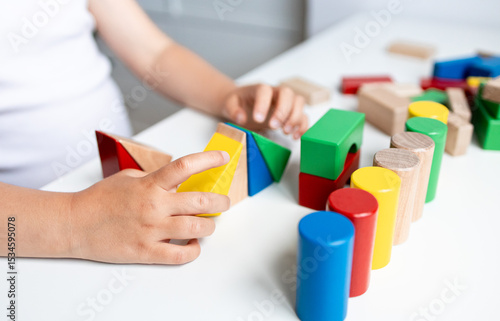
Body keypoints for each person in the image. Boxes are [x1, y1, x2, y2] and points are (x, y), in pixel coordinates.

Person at [0, 0, 308, 264]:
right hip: (35, 224)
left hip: (126, 186)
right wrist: (75, 220)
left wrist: (227, 96)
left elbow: (154, 52)